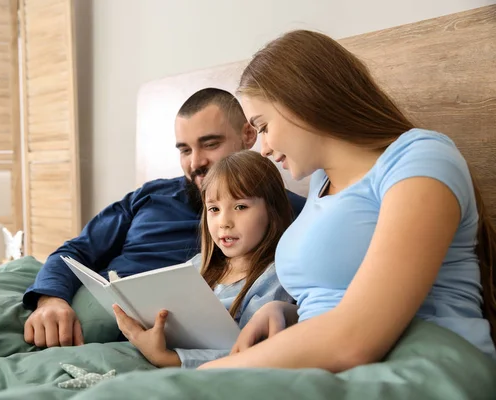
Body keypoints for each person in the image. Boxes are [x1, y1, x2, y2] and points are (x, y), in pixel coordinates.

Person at [198, 30, 496, 370]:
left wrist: (207, 374)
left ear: (302, 100)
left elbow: (356, 339)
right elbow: (349, 299)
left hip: (421, 362)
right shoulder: (321, 183)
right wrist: (289, 311)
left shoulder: (420, 159)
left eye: (263, 127)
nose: (262, 147)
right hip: (337, 360)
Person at [22, 88, 307, 348]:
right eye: (185, 150)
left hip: (140, 339)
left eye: (210, 144)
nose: (195, 162)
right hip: (70, 311)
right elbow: (75, 250)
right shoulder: (151, 195)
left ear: (248, 135)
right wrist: (50, 300)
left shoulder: (286, 215)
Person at [112, 150, 296, 368]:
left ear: (272, 210)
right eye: (214, 209)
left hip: (205, 371)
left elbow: (250, 354)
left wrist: (167, 359)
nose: (224, 222)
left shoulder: (276, 276)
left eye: (240, 207)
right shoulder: (198, 265)